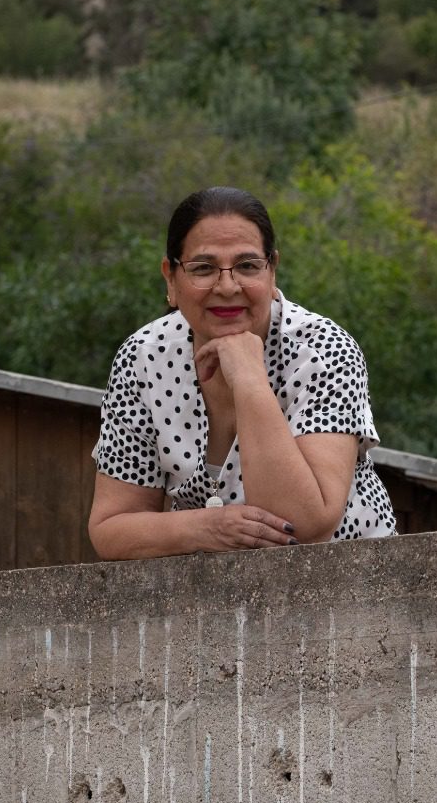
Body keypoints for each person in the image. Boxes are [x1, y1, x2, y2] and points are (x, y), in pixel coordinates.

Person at [89, 187, 397, 559]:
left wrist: (250, 378)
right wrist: (208, 527)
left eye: (248, 266)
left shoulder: (324, 350)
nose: (227, 286)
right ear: (171, 279)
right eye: (203, 268)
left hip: (355, 585)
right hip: (210, 599)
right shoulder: (142, 357)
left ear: (272, 271)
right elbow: (112, 528)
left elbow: (304, 526)